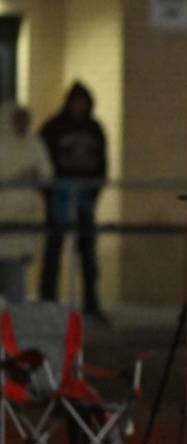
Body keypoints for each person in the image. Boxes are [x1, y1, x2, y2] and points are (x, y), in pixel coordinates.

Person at [38, 82, 108, 323]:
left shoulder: (94, 128)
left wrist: (95, 191)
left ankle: (91, 303)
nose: (79, 107)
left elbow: (102, 163)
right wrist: (50, 194)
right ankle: (47, 303)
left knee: (88, 254)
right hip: (60, 197)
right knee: (54, 251)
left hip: (85, 197)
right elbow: (43, 163)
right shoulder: (54, 128)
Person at [0, 102, 52, 302]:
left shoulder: (35, 145)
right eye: (18, 120)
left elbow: (47, 174)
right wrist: (19, 177)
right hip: (4, 224)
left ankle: (13, 327)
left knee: (15, 288)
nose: (22, 124)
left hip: (22, 228)